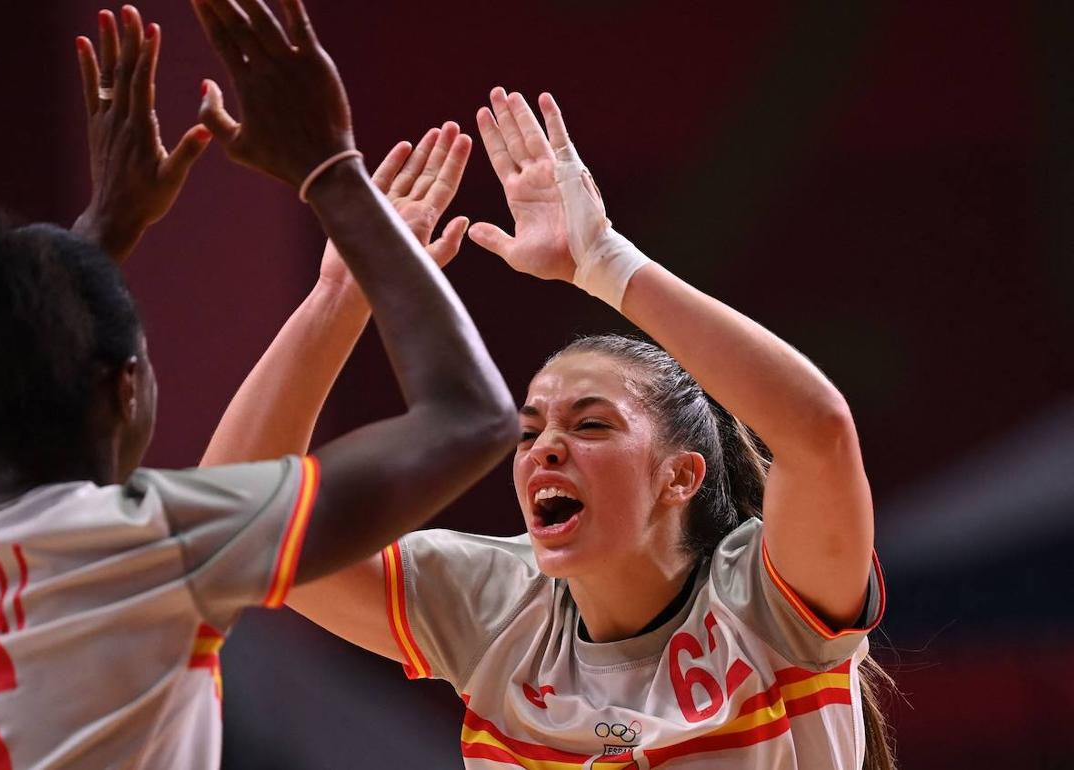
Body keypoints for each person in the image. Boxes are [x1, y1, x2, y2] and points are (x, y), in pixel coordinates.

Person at [0, 2, 515, 768]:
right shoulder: (148, 546)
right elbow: (473, 418)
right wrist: (332, 171)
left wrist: (97, 239)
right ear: (124, 388)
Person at [202, 87, 895, 768]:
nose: (546, 449)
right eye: (529, 431)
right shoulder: (494, 603)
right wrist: (340, 296)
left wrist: (608, 264)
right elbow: (239, 526)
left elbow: (819, 431)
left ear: (680, 475)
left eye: (591, 426)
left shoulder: (767, 602)